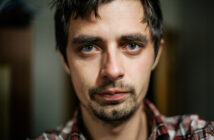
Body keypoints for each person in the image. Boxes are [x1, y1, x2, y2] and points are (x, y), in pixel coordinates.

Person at [34, 0, 214, 139]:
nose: (112, 70)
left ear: (157, 54)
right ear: (65, 60)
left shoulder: (200, 134)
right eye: (88, 47)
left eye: (132, 45)